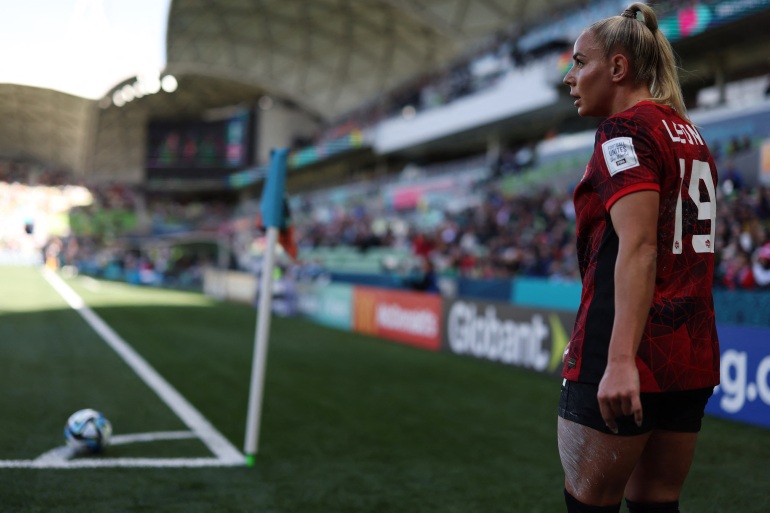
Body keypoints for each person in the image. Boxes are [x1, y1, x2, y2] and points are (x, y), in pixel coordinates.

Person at [558, 3, 720, 512]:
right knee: (657, 503)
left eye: (580, 62)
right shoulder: (690, 135)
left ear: (618, 68)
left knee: (590, 503)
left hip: (625, 350)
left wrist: (621, 360)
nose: (570, 77)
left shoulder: (624, 130)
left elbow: (640, 245)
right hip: (689, 354)